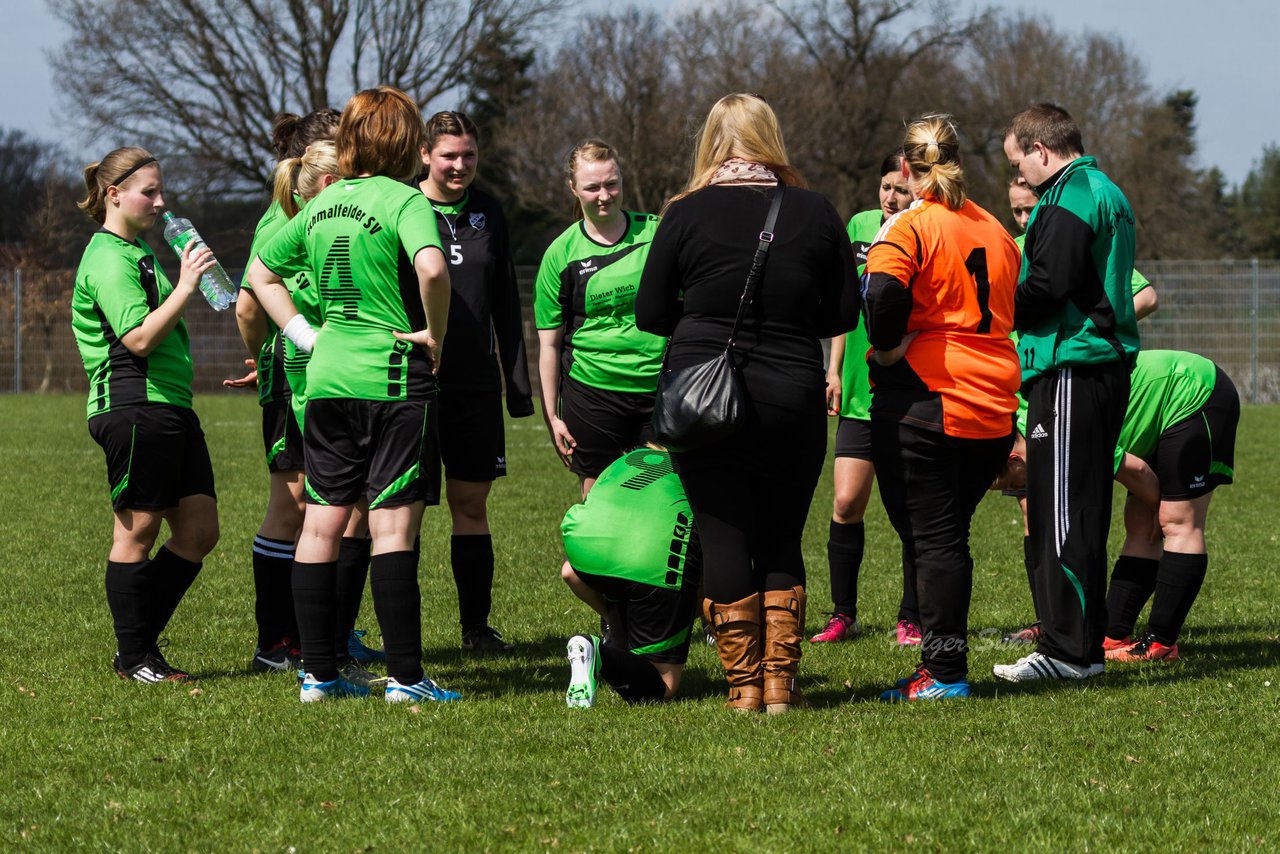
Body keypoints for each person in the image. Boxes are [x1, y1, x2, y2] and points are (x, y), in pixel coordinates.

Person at [636, 93, 859, 713]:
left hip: (705, 392)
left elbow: (651, 312)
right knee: (783, 534)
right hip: (792, 389)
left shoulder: (683, 213)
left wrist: (703, 317)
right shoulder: (816, 212)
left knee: (725, 532)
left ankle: (744, 688)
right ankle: (783, 687)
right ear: (772, 140)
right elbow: (843, 313)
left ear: (712, 143)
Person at [247, 86, 456, 703]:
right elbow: (434, 269)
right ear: (403, 143)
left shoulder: (324, 200)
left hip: (327, 378)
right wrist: (434, 334)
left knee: (321, 524)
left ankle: (318, 676)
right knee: (392, 529)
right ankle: (408, 681)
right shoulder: (403, 200)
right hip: (392, 377)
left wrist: (301, 332)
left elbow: (260, 273)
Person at [862, 115, 1021, 701]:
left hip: (930, 401)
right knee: (945, 536)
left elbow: (879, 295)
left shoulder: (909, 225)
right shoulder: (997, 230)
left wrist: (887, 348)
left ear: (906, 168)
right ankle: (942, 662)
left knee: (935, 540)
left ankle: (946, 671)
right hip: (993, 408)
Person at [993, 103, 1140, 683]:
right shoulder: (1106, 190)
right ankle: (1083, 647)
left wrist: (996, 305)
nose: (1020, 177)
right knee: (1082, 508)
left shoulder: (1071, 193)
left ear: (1042, 152)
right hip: (1093, 366)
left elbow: (1048, 285)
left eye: (1018, 164)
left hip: (1074, 366)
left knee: (1062, 511)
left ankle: (1066, 650)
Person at [232, 108, 382, 676]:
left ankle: (331, 636)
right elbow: (250, 304)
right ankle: (278, 642)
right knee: (296, 504)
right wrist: (264, 352)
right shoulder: (282, 221)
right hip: (299, 377)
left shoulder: (321, 212)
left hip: (329, 376)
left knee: (343, 508)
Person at [71, 147, 220, 682]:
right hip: (135, 406)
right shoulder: (108, 257)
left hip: (171, 406)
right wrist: (186, 286)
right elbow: (136, 339)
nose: (160, 202)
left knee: (200, 530)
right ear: (115, 195)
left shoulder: (137, 252)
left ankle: (134, 641)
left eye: (161, 191)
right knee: (137, 531)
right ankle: (135, 656)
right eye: (148, 192)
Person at [993, 350, 1238, 663]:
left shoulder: (1057, 433)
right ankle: (1113, 633)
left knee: (1177, 521)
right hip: (1158, 412)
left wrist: (1159, 509)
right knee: (1139, 523)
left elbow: (1134, 471)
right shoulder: (1031, 429)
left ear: (1016, 459)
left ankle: (1161, 644)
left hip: (1194, 392)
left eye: (1013, 484)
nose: (1020, 491)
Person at [415, 111, 534, 652]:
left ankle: (476, 629)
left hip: (474, 385)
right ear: (425, 155)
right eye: (448, 155)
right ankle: (404, 636)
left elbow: (506, 301)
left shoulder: (489, 210)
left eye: (468, 155)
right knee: (403, 511)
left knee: (470, 503)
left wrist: (516, 384)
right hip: (414, 382)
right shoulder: (403, 206)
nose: (459, 165)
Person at [813, 151, 918, 646]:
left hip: (906, 393)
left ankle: (911, 616)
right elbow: (844, 308)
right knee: (846, 501)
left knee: (913, 512)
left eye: (901, 188)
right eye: (886, 187)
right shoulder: (857, 226)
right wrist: (833, 370)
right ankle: (843, 615)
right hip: (857, 393)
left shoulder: (923, 230)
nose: (892, 197)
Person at [533, 140, 665, 502]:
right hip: (592, 393)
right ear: (574, 189)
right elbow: (549, 344)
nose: (604, 195)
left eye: (612, 183)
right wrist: (552, 417)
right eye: (592, 187)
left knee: (662, 496)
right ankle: (591, 562)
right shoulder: (560, 254)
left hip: (659, 389)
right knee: (598, 498)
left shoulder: (658, 234)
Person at [560, 447, 701, 707]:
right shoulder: (698, 465)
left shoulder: (625, 459)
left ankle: (614, 639)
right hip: (649, 562)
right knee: (664, 686)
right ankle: (596, 652)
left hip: (584, 554)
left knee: (631, 648)